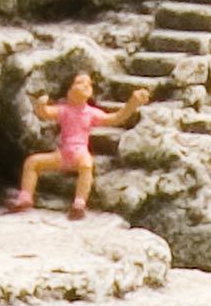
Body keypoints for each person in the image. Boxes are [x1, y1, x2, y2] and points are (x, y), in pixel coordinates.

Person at [9, 68, 147, 215]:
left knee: (87, 165)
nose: (86, 85)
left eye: (89, 83)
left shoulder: (91, 113)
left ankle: (79, 203)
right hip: (62, 154)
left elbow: (115, 118)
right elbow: (45, 113)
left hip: (80, 153)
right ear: (69, 91)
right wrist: (40, 105)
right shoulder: (64, 110)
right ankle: (26, 197)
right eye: (80, 82)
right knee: (32, 162)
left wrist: (132, 104)